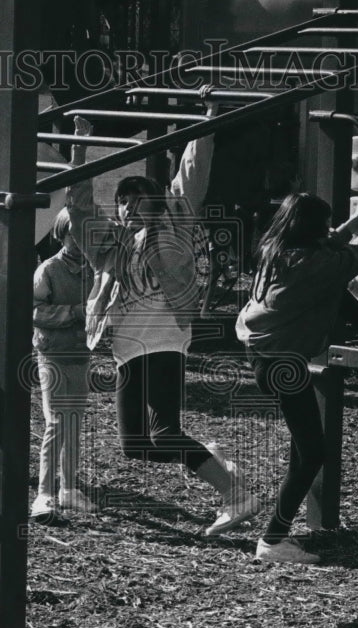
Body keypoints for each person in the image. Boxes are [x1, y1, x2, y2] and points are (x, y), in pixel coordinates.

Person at [66, 94, 261, 538]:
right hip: (127, 349)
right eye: (123, 201)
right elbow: (77, 207)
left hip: (166, 340)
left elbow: (191, 173)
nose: (130, 207)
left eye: (140, 200)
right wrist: (79, 145)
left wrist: (207, 122)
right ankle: (211, 460)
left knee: (166, 431)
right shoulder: (111, 246)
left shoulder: (173, 222)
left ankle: (236, 494)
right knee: (135, 445)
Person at [236, 191, 358, 563]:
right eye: (324, 225)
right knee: (313, 454)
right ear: (312, 229)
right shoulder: (312, 264)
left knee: (306, 450)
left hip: (266, 355)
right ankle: (273, 540)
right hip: (281, 363)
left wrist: (354, 221)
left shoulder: (279, 248)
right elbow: (354, 256)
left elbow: (332, 249)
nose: (328, 231)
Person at [30, 207, 96, 521]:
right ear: (61, 233)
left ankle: (69, 488)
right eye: (74, 232)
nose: (80, 239)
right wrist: (74, 313)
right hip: (52, 355)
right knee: (56, 421)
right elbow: (32, 311)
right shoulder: (48, 270)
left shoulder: (94, 270)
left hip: (80, 354)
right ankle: (44, 493)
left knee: (74, 423)